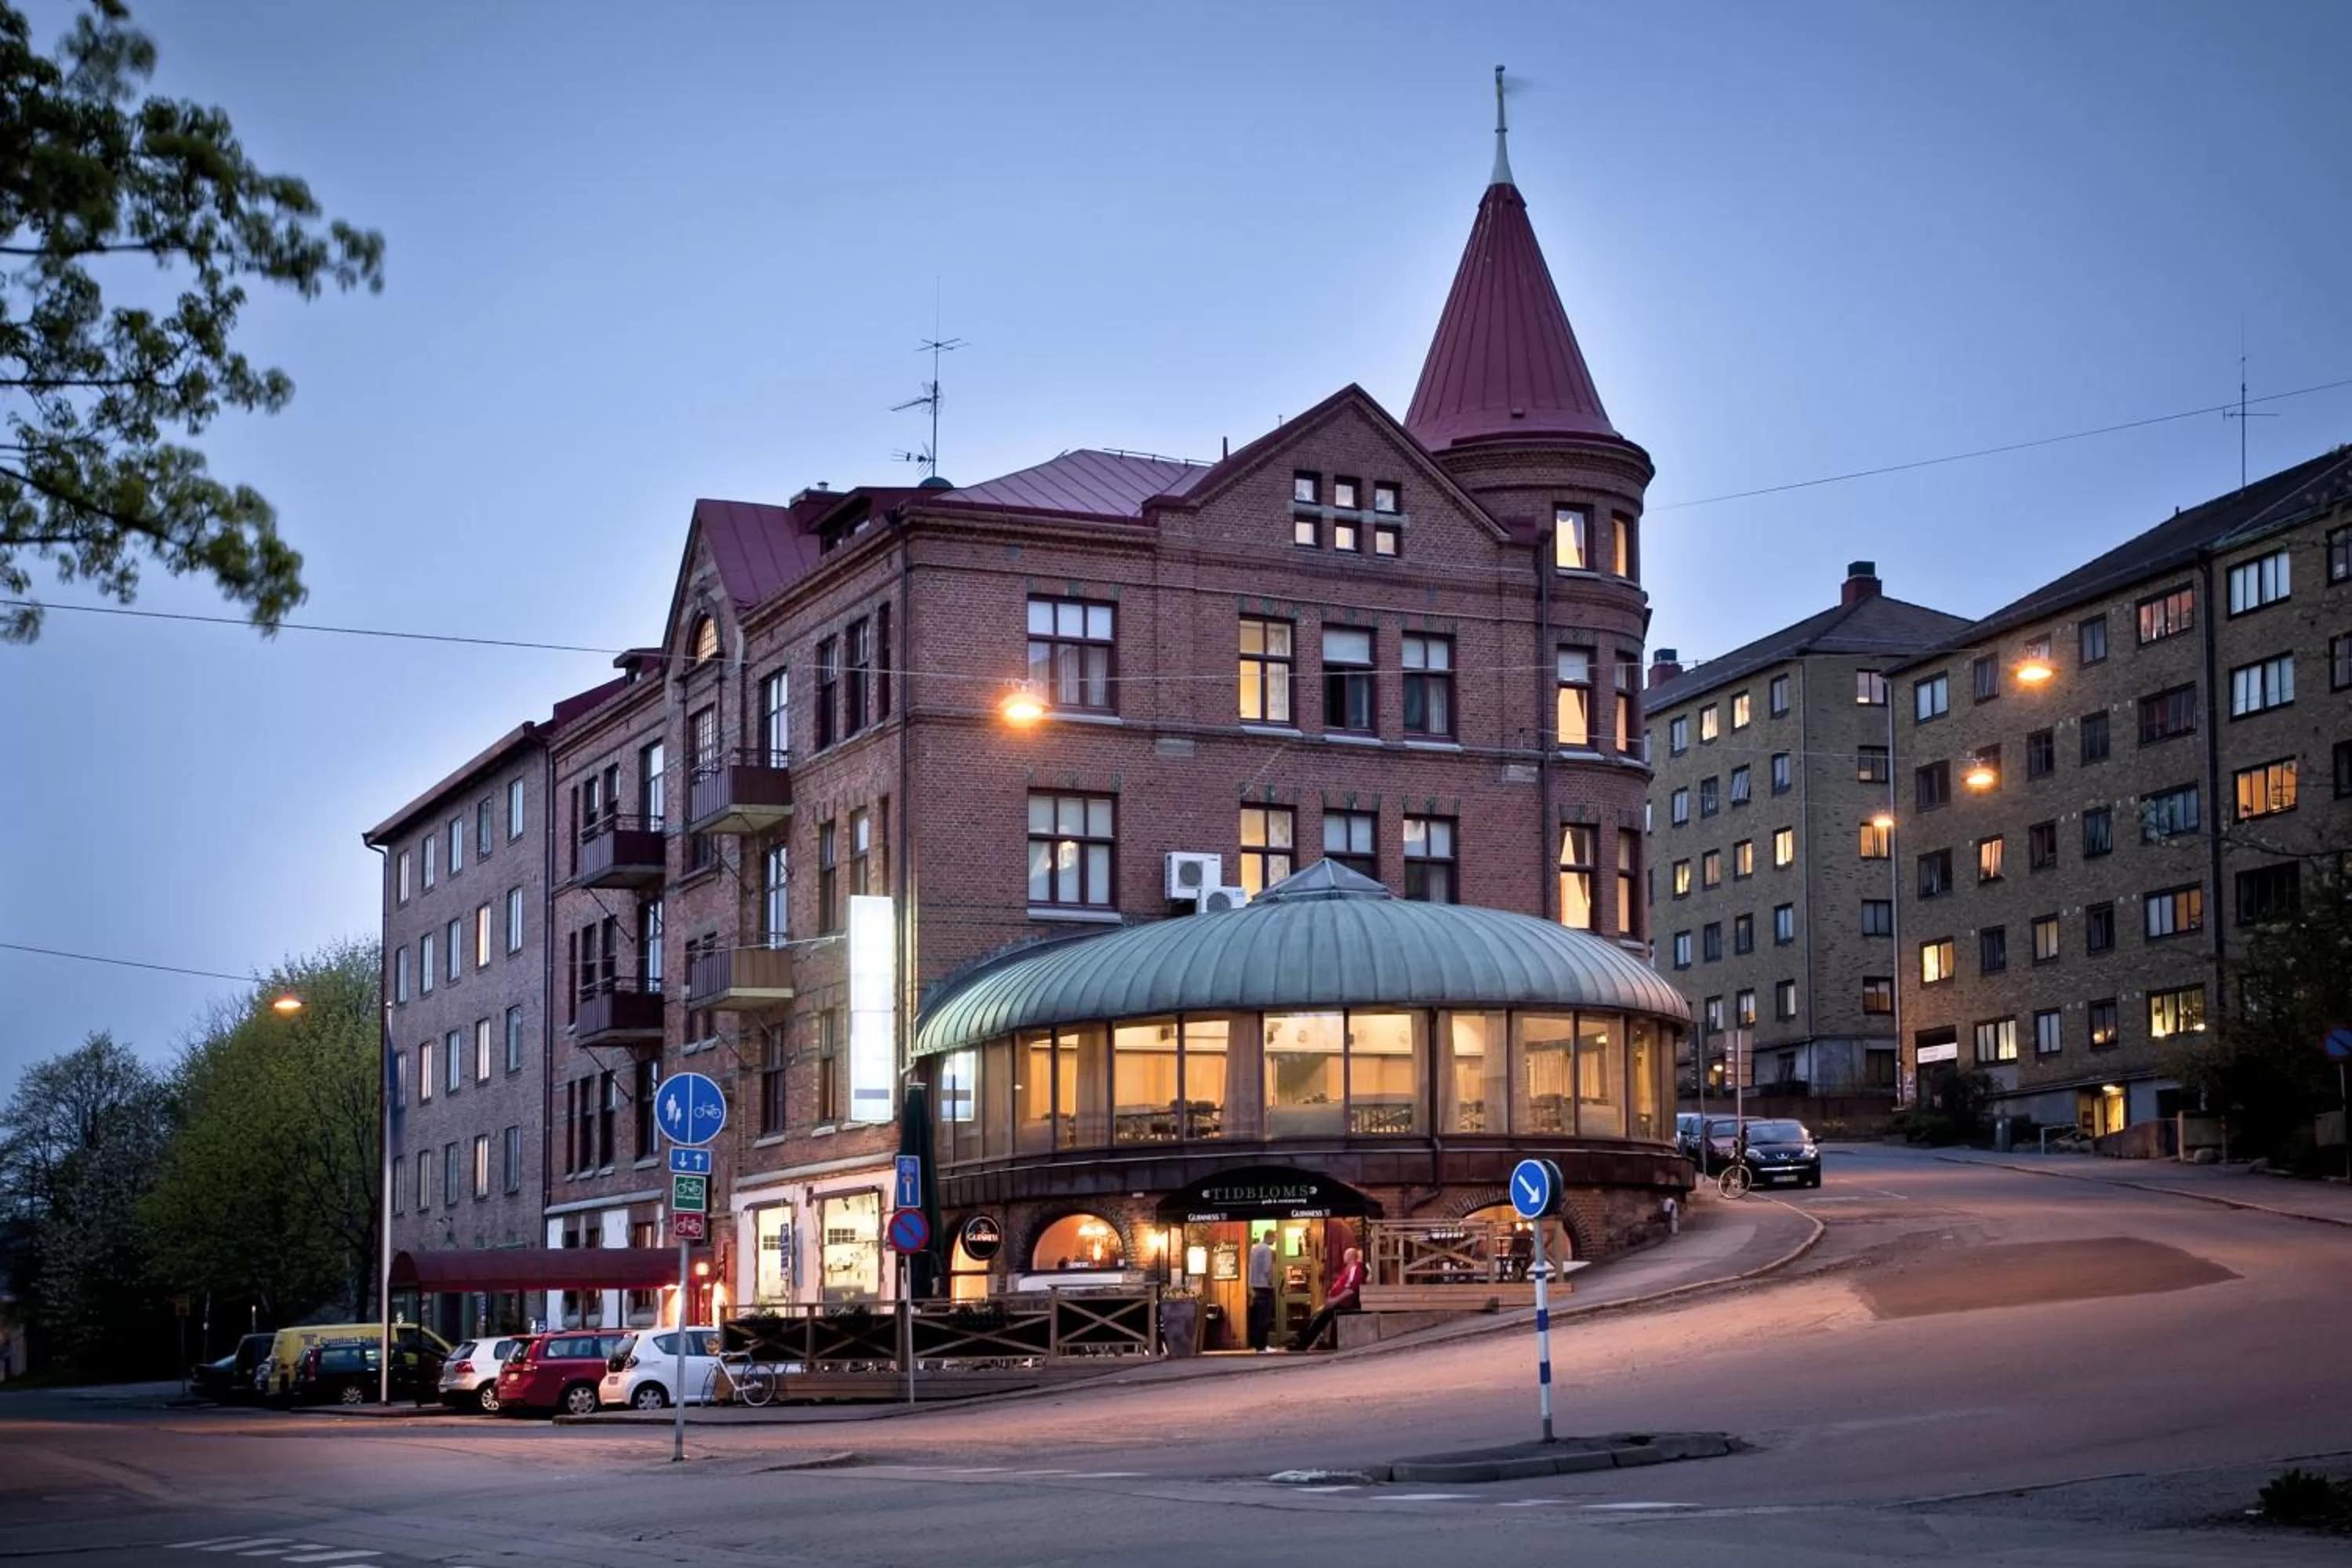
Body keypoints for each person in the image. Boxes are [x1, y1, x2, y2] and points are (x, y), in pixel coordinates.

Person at [1289, 1247, 1367, 1352]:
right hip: (1336, 1301)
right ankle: (1299, 1339)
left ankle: (1302, 1344)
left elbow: (1351, 1290)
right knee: (1315, 1316)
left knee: (1320, 1319)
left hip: (1343, 1303)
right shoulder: (1347, 1269)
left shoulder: (1355, 1269)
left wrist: (1335, 1300)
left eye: (1345, 1255)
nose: (1343, 1256)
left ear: (1350, 1256)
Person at [1245, 1231, 1276, 1352]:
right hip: (1264, 1287)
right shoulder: (1267, 1250)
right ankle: (1263, 1346)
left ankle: (1258, 1345)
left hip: (1255, 1287)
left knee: (1258, 1318)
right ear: (1269, 1237)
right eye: (1274, 1238)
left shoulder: (1255, 1249)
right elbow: (1268, 1268)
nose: (1274, 1241)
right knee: (1265, 1317)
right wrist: (1270, 1282)